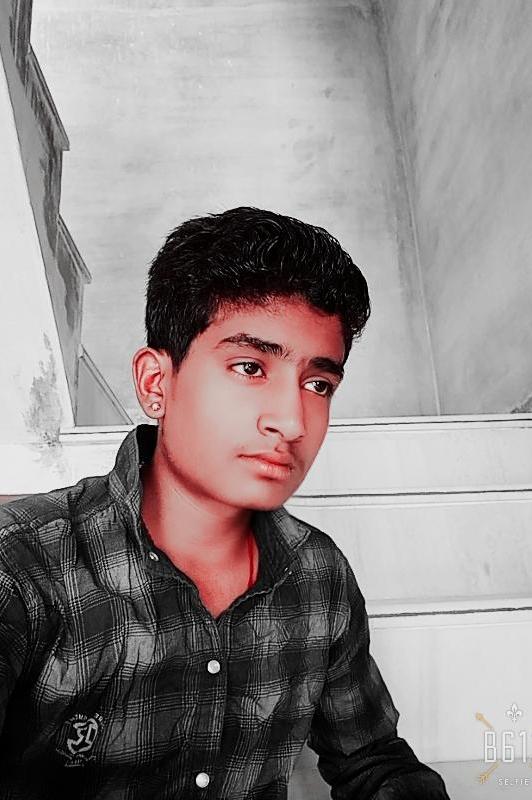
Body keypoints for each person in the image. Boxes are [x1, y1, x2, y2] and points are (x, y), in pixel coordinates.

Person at [0, 207, 450, 799]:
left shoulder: (319, 574)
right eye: (249, 367)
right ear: (156, 384)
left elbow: (372, 761)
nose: (292, 421)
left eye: (318, 384)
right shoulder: (24, 565)